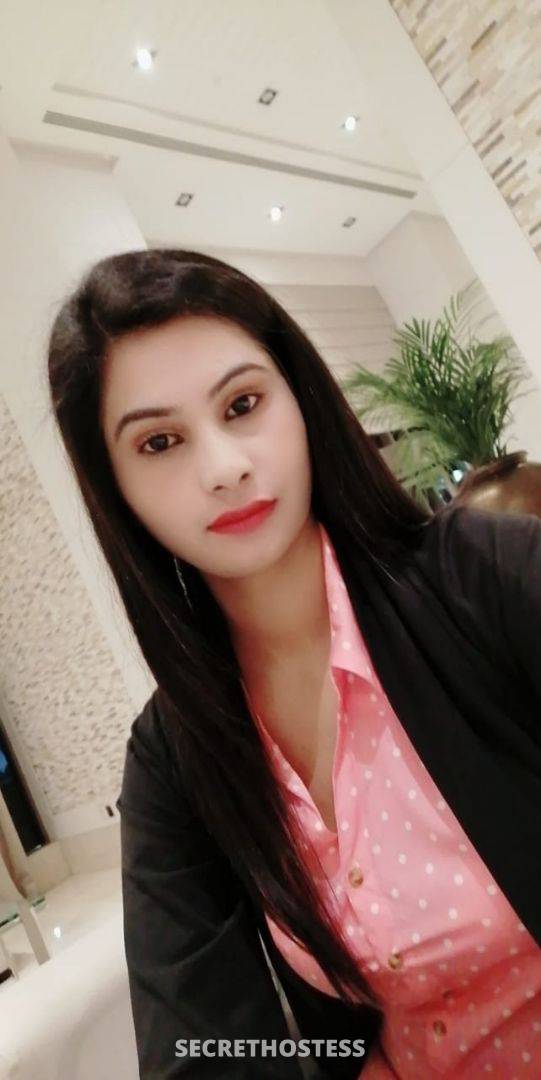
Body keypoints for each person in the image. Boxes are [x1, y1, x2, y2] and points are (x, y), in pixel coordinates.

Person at [46, 248, 541, 1079]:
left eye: (242, 405)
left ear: (299, 399)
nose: (224, 467)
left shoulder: (483, 577)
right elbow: (203, 1047)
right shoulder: (174, 759)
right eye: (160, 442)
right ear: (116, 488)